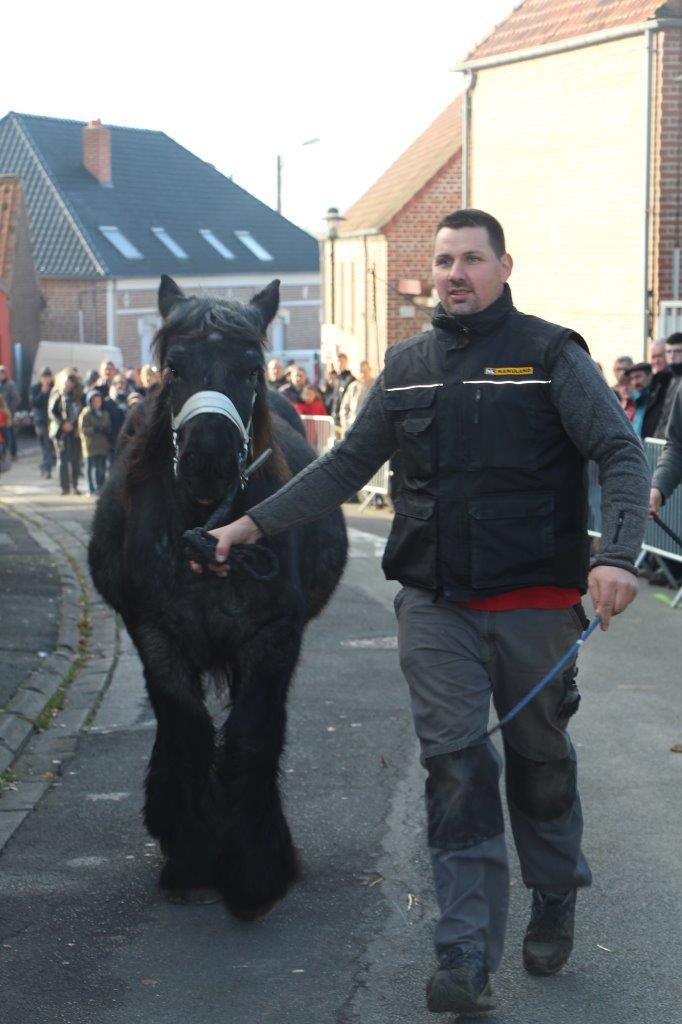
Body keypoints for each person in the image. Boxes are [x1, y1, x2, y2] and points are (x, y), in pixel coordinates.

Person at [198, 209, 649, 1016]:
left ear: (504, 266)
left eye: (472, 259)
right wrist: (246, 523)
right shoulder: (405, 366)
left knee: (540, 762)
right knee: (458, 765)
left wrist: (616, 554)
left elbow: (619, 451)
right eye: (444, 260)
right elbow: (341, 470)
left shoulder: (551, 357)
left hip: (537, 605)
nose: (455, 273)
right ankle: (465, 952)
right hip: (435, 608)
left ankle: (554, 890)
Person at [49, 372, 84, 495]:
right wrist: (62, 423)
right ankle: (64, 488)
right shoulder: (57, 395)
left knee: (76, 460)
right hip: (61, 433)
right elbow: (52, 412)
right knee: (62, 460)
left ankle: (74, 486)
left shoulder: (80, 396)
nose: (69, 383)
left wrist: (73, 425)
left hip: (75, 432)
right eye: (66, 381)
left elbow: (83, 413)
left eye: (71, 381)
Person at [78, 389, 111, 494]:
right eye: (94, 401)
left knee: (101, 467)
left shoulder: (104, 413)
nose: (97, 403)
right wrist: (94, 429)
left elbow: (108, 425)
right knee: (90, 467)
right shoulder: (86, 413)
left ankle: (100, 486)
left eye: (99, 401)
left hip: (102, 445)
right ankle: (91, 488)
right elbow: (83, 429)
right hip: (90, 445)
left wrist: (105, 429)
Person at [654, 332, 682, 439]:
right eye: (669, 351)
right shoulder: (666, 379)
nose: (672, 356)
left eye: (678, 351)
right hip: (663, 442)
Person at [30, 367, 57, 478]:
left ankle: (46, 467)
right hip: (40, 422)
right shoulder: (36, 388)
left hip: (51, 421)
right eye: (44, 377)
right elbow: (34, 403)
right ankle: (46, 467)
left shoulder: (54, 388)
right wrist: (42, 392)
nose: (46, 380)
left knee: (49, 447)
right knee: (45, 446)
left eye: (48, 377)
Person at [339, 360, 374, 434]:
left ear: (370, 370)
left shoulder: (375, 386)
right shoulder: (352, 387)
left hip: (371, 428)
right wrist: (345, 424)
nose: (363, 374)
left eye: (365, 371)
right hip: (353, 427)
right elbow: (344, 407)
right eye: (361, 372)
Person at [0, 364, 20, 459]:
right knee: (3, 435)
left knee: (10, 434)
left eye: (2, 373)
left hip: (7, 414)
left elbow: (16, 399)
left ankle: (13, 453)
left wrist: (10, 410)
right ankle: (4, 453)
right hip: (0, 415)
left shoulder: (10, 384)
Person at [330, 354, 355, 427]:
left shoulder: (350, 379)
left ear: (346, 362)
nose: (339, 364)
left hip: (345, 419)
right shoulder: (338, 378)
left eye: (341, 361)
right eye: (337, 362)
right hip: (335, 418)